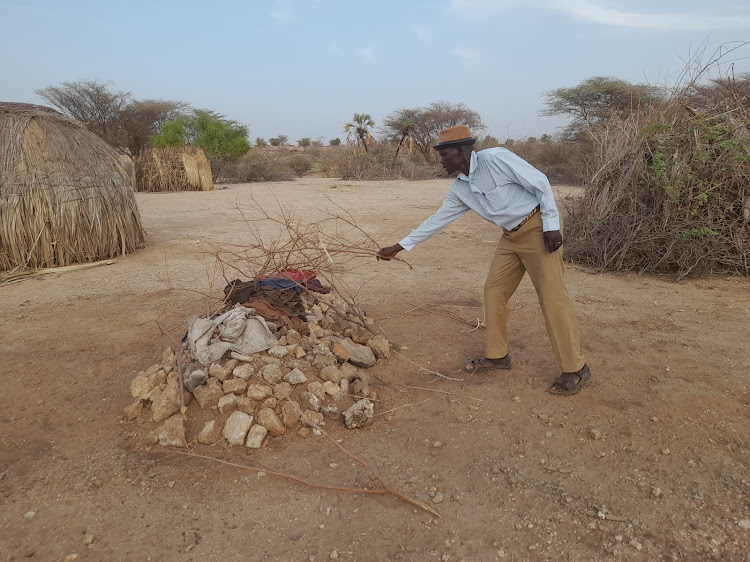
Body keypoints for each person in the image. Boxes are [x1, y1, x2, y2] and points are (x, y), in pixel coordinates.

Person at [377, 125, 591, 395]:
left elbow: (540, 182)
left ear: (461, 151)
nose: (441, 161)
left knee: (552, 296)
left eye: (444, 156)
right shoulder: (459, 188)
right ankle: (498, 356)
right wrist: (399, 246)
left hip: (538, 229)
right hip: (510, 237)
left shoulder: (496, 159)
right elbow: (437, 220)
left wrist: (551, 224)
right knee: (494, 291)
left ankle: (575, 368)